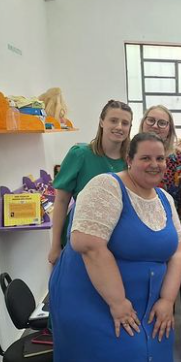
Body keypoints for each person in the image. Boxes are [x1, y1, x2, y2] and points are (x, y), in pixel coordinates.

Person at [49, 132, 181, 362]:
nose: (155, 164)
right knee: (121, 360)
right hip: (97, 303)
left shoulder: (163, 198)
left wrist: (168, 299)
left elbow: (178, 250)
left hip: (149, 307)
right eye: (145, 158)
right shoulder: (105, 187)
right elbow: (89, 245)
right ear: (129, 160)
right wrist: (118, 303)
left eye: (160, 158)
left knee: (155, 357)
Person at [48, 100, 133, 265]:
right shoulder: (80, 155)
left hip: (119, 243)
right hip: (81, 241)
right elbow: (62, 201)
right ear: (102, 122)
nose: (119, 127)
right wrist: (55, 245)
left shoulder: (132, 161)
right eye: (113, 120)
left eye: (125, 123)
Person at [140, 104, 181, 224]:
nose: (155, 126)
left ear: (170, 129)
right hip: (137, 222)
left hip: (173, 224)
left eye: (162, 123)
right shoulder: (129, 153)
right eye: (151, 120)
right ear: (143, 123)